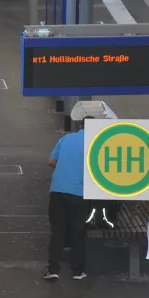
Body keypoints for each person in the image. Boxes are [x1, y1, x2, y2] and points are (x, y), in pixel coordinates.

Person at [44, 116, 92, 281]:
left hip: (57, 191)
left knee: (57, 231)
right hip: (80, 192)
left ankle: (53, 270)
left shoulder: (65, 138)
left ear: (79, 126)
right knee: (77, 233)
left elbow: (51, 161)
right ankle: (78, 271)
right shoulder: (96, 142)